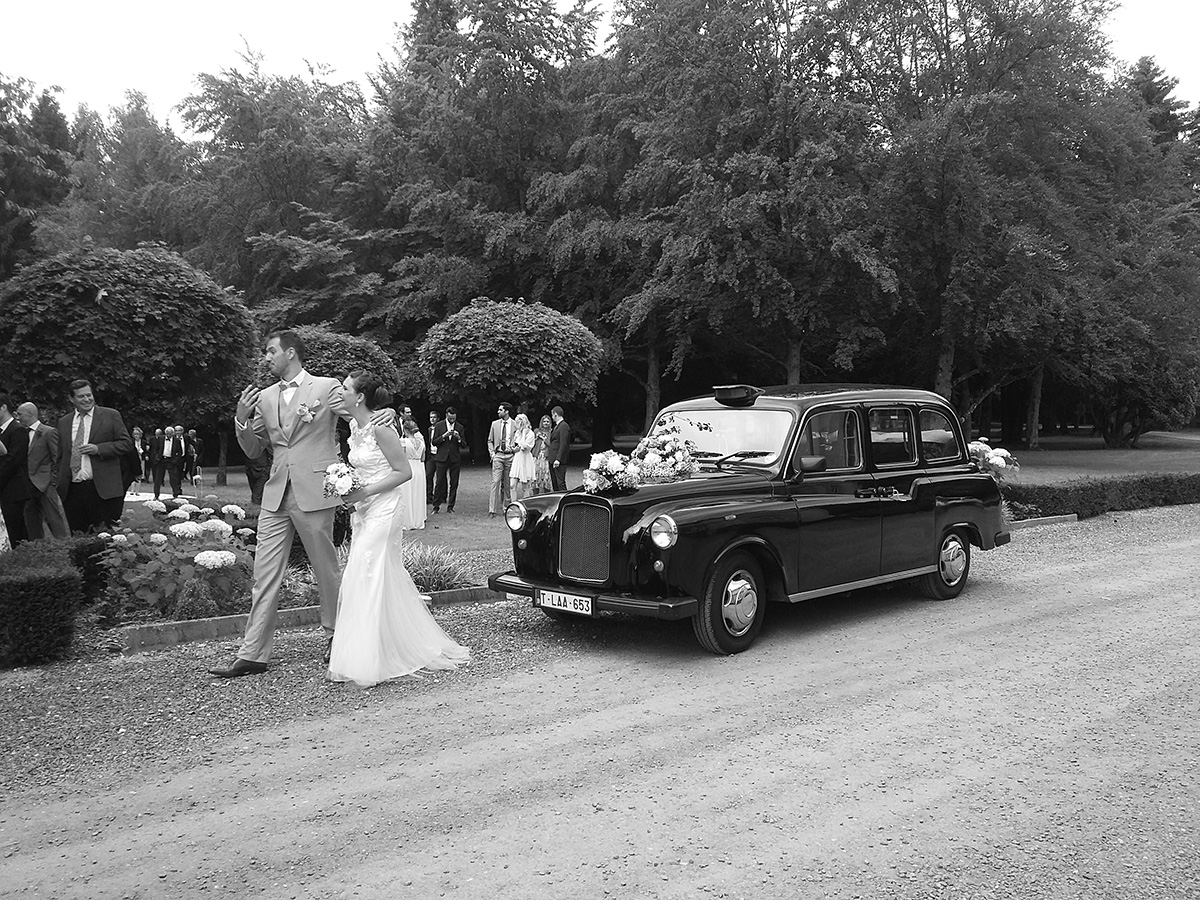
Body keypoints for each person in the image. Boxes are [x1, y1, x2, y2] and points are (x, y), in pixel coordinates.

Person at [209, 329, 346, 678]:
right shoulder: (266, 397)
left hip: (315, 489)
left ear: (290, 353)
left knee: (324, 569)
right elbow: (255, 450)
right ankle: (253, 652)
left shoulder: (326, 386)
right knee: (264, 574)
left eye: (270, 352)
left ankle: (336, 636)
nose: (265, 358)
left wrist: (380, 418)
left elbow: (354, 415)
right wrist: (241, 419)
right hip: (275, 494)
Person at [327, 372, 469, 687]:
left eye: (346, 388)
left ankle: (370, 661)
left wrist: (363, 492)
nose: (341, 392)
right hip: (363, 510)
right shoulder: (356, 424)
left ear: (360, 397)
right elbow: (329, 403)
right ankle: (365, 652)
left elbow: (403, 471)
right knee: (367, 574)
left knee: (367, 573)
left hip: (384, 509)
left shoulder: (381, 428)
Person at [56, 379, 133, 533]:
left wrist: (99, 449)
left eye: (89, 395)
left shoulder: (110, 415)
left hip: (102, 490)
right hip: (73, 490)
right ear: (72, 399)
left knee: (105, 538)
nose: (86, 399)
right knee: (79, 537)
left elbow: (126, 444)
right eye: (81, 397)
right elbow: (60, 455)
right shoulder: (64, 422)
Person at [17, 402, 69, 539]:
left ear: (31, 414)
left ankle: (63, 546)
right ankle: (38, 548)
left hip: (46, 483)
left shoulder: (48, 432)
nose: (18, 417)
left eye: (20, 414)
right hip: (27, 484)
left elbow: (57, 457)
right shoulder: (21, 432)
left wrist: (52, 480)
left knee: (53, 518)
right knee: (31, 519)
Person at [0, 395, 33, 545]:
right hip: (3, 489)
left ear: (4, 407)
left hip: (13, 490)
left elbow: (12, 461)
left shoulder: (18, 430)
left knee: (15, 530)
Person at [430, 406, 465, 514]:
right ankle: (436, 506)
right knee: (439, 482)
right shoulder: (439, 425)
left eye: (453, 419)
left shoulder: (460, 427)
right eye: (450, 419)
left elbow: (464, 444)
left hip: (454, 458)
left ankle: (450, 507)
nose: (452, 421)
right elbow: (434, 442)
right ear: (446, 416)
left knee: (454, 483)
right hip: (441, 457)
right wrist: (444, 436)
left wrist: (458, 438)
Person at [487, 402, 516, 517]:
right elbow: (490, 440)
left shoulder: (514, 424)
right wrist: (492, 454)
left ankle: (506, 508)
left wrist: (514, 450)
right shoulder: (495, 424)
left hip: (510, 455)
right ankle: (492, 510)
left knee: (508, 484)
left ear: (507, 411)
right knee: (495, 482)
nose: (498, 412)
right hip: (498, 455)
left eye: (500, 410)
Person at [398, 415, 427, 530]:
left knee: (407, 494)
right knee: (417, 494)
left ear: (405, 430)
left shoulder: (403, 442)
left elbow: (401, 458)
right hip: (419, 469)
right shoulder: (421, 442)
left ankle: (407, 521)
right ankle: (418, 520)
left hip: (408, 467)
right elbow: (423, 458)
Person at [509, 413, 537, 501]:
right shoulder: (517, 433)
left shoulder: (530, 434)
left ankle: (526, 506)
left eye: (518, 423)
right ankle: (513, 505)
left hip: (525, 460)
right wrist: (514, 448)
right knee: (512, 485)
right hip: (517, 459)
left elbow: (525, 447)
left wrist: (524, 433)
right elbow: (514, 445)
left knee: (525, 486)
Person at [153, 425, 185, 499]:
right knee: (158, 478)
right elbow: (156, 449)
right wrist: (157, 458)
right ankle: (156, 495)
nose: (168, 435)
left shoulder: (177, 441)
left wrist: (175, 461)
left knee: (173, 478)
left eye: (170, 434)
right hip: (161, 460)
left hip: (171, 460)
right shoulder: (160, 439)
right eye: (167, 433)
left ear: (173, 434)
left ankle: (175, 494)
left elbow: (180, 452)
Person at [547, 405, 571, 492]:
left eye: (552, 415)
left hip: (558, 460)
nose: (552, 417)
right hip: (552, 459)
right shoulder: (557, 426)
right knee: (555, 483)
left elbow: (563, 444)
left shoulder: (564, 426)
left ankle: (565, 501)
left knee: (560, 483)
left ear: (555, 414)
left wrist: (558, 459)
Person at [532, 414, 553, 495]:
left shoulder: (551, 432)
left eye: (547, 421)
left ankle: (546, 495)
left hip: (546, 457)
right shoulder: (537, 431)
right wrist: (537, 438)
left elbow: (551, 445)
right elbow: (531, 443)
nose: (546, 423)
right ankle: (535, 496)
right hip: (537, 457)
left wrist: (544, 438)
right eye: (544, 421)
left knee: (546, 478)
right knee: (536, 477)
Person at [425, 410, 439, 505]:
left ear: (438, 418)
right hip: (431, 455)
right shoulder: (429, 429)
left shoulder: (441, 428)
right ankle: (429, 496)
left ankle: (441, 496)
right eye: (431, 417)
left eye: (434, 417)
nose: (432, 419)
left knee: (440, 477)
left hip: (439, 455)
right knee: (428, 475)